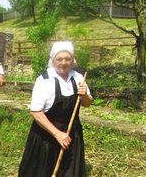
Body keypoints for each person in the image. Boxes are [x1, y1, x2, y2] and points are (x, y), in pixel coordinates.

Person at [18, 41, 93, 176]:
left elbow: (87, 103)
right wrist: (58, 134)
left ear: (72, 60)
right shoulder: (45, 80)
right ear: (53, 60)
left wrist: (84, 95)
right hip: (46, 135)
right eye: (59, 59)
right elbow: (36, 112)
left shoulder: (78, 77)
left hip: (72, 135)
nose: (63, 63)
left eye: (67, 59)